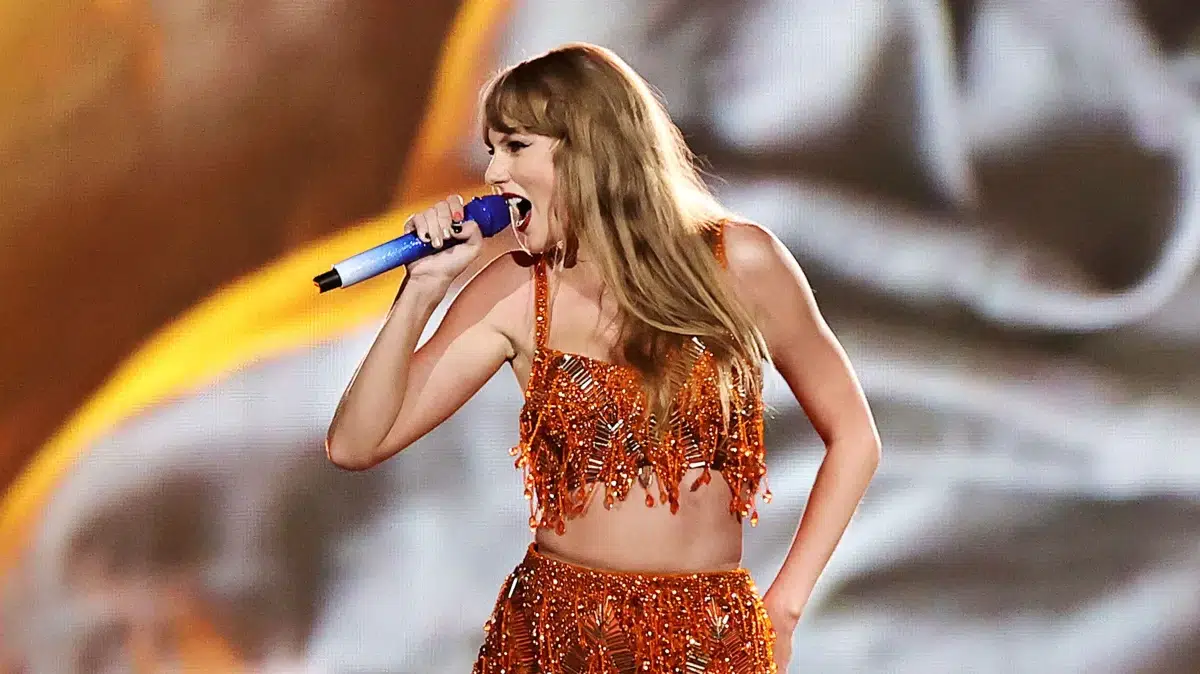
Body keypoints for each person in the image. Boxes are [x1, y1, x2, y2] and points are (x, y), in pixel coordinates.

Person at [324, 42, 881, 673]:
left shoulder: (741, 262)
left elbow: (855, 437)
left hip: (708, 640)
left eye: (515, 146)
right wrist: (422, 290)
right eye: (491, 150)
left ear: (590, 149)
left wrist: (786, 606)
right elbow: (354, 444)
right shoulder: (516, 289)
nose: (493, 173)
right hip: (554, 637)